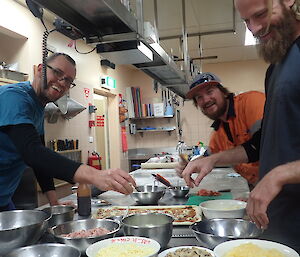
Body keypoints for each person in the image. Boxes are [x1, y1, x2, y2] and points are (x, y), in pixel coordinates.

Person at [182, 0, 300, 252]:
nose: (254, 29)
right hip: (279, 220)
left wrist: (279, 175)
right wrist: (212, 160)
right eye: (246, 21)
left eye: (260, 15)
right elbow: (262, 144)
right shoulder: (276, 68)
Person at [0, 52, 136, 211]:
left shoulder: (37, 108)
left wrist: (54, 202)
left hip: (4, 200)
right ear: (39, 69)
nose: (62, 82)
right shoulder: (14, 97)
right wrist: (96, 175)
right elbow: (32, 152)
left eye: (69, 81)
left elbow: (40, 163)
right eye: (57, 72)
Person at [175, 72, 265, 186]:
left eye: (209, 91)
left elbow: (263, 144)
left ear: (223, 92)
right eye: (199, 97)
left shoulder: (251, 101)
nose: (206, 100)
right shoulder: (219, 133)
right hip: (259, 187)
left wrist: (213, 160)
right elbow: (208, 157)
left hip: (284, 183)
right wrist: (190, 165)